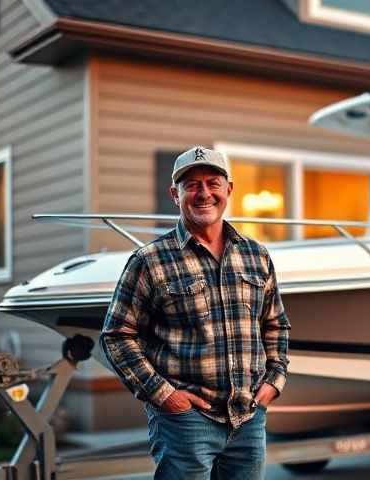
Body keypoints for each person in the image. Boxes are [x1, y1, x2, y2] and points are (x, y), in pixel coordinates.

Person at [100, 146, 291, 479]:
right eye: (192, 185)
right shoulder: (149, 261)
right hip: (185, 423)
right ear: (175, 195)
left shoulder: (256, 256)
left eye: (213, 183)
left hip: (248, 417)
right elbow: (117, 336)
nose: (204, 193)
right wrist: (166, 396)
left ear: (228, 190)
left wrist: (274, 380)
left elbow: (274, 324)